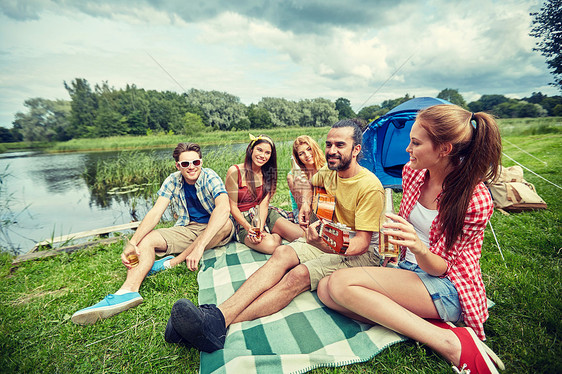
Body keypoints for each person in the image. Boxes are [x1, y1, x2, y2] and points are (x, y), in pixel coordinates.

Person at [163, 119, 384, 353]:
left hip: (361, 252)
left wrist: (324, 245)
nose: (331, 150)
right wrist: (307, 205)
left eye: (340, 145)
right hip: (329, 239)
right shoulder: (329, 173)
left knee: (297, 275)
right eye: (328, 144)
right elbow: (310, 183)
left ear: (356, 149)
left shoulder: (370, 186)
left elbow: (361, 244)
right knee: (282, 252)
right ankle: (214, 319)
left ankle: (214, 324)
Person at [316, 105, 504, 373]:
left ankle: (450, 342)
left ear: (444, 149)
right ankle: (422, 323)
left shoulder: (475, 199)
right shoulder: (413, 173)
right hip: (410, 270)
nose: (407, 149)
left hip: (449, 285)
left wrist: (417, 246)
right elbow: (405, 225)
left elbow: (443, 268)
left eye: (415, 143)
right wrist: (396, 248)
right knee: (326, 290)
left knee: (340, 285)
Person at [71, 142, 234, 325]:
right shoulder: (173, 180)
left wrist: (200, 247)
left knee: (226, 224)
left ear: (201, 162)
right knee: (147, 240)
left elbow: (223, 208)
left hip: (216, 228)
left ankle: (172, 262)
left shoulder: (210, 176)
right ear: (177, 166)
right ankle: (128, 292)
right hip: (188, 228)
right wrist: (133, 242)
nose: (191, 167)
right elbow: (155, 213)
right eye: (185, 164)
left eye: (195, 162)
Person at [225, 134, 303, 254]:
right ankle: (277, 236)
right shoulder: (235, 171)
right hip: (243, 220)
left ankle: (275, 232)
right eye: (259, 150)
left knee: (302, 236)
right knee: (270, 246)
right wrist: (250, 228)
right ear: (251, 150)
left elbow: (264, 204)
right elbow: (232, 207)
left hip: (263, 214)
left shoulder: (268, 173)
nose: (262, 155)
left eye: (267, 153)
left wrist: (259, 229)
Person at [287, 135, 326, 219]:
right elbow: (301, 206)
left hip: (323, 212)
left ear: (314, 148)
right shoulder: (293, 175)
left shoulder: (326, 168)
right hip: (303, 214)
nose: (307, 155)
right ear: (298, 158)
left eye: (309, 149)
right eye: (301, 153)